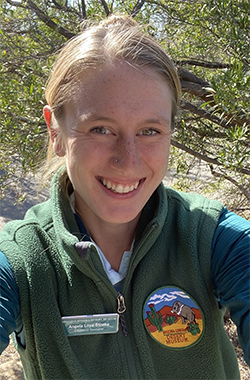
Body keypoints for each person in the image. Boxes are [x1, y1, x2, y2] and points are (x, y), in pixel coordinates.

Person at [0, 14, 249, 380]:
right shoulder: (22, 260)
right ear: (56, 131)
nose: (127, 160)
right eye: (100, 129)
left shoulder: (212, 238)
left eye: (150, 130)